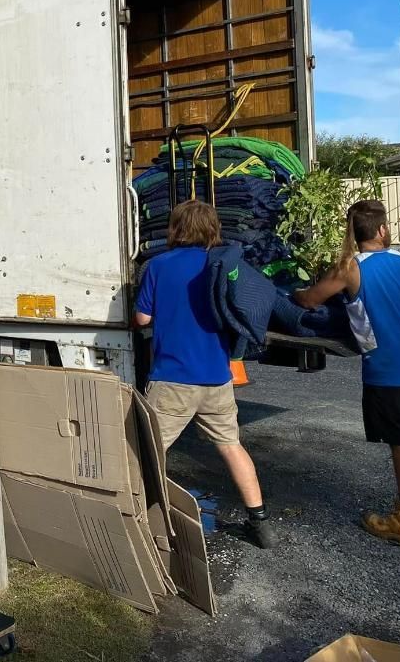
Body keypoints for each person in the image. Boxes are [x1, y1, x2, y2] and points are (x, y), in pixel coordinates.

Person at [295, 199, 400, 546]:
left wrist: (296, 292)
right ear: (382, 229)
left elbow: (310, 300)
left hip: (389, 372)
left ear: (354, 232)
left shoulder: (349, 267)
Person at [135, 200, 277, 549]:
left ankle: (139, 521)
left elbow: (142, 320)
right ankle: (259, 523)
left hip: (172, 379)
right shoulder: (222, 266)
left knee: (147, 451)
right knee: (231, 446)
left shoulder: (158, 266)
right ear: (213, 229)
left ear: (175, 229)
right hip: (217, 376)